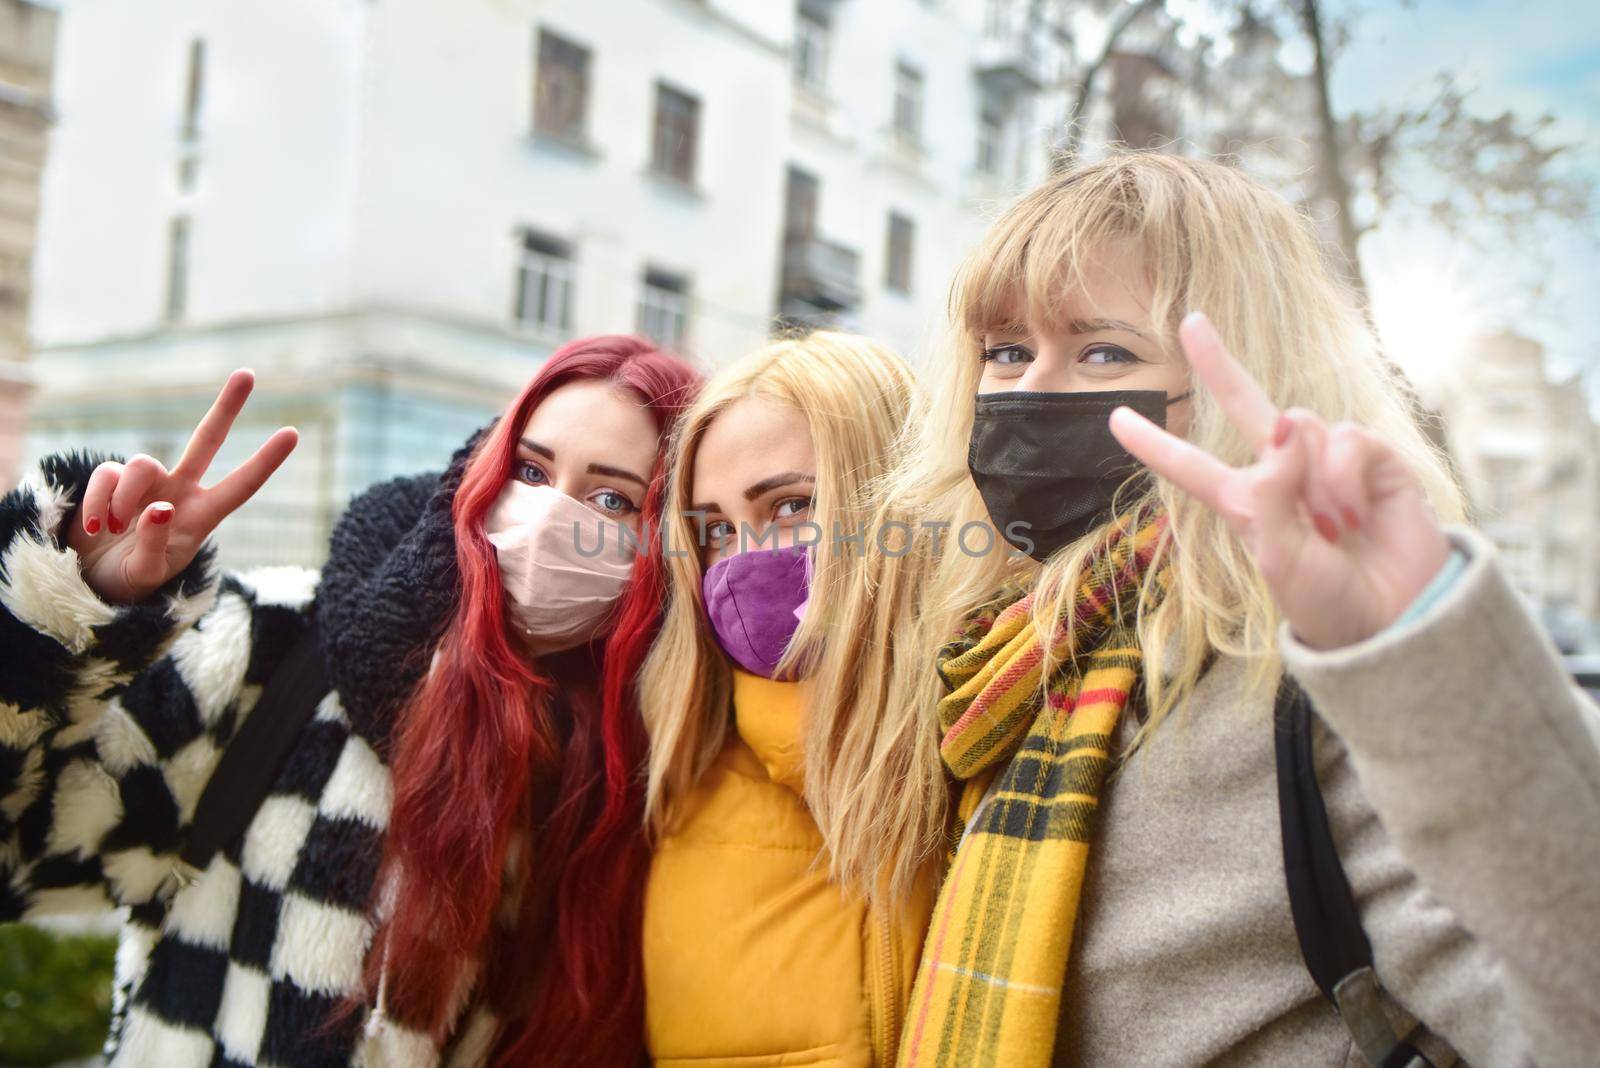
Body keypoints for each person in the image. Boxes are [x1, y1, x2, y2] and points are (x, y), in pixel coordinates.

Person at [879, 154, 1600, 1067]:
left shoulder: (1307, 693)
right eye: (1008, 351)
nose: (1026, 390)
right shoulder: (1007, 672)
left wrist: (1424, 648)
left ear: (1242, 380)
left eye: (1105, 350)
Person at [0, 335, 701, 1066]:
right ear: (482, 474)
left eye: (612, 497)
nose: (550, 516)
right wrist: (64, 612)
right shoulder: (273, 648)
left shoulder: (655, 778)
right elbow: (18, 857)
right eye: (529, 468)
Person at [612, 332, 944, 1067]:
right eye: (718, 530)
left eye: (792, 505)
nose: (742, 563)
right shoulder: (678, 775)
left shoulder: (996, 741)